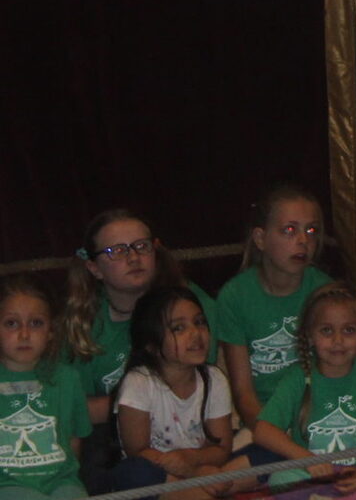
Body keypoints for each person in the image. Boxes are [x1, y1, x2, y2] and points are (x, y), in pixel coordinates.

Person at [61, 209, 216, 490]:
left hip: (188, 424)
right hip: (113, 438)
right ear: (94, 268)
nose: (133, 258)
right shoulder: (82, 323)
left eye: (141, 246)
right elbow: (73, 409)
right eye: (117, 251)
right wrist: (142, 403)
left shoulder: (188, 302)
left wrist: (128, 402)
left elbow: (208, 382)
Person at [245, 281, 356, 499]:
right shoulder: (298, 377)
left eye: (349, 330)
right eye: (326, 330)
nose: (338, 341)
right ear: (310, 335)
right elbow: (263, 431)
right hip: (313, 473)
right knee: (282, 479)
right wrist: (307, 459)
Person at [214, 184, 335, 430]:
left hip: (316, 414)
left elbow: (338, 372)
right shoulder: (234, 296)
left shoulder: (326, 292)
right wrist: (271, 434)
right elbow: (243, 393)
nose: (303, 241)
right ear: (260, 239)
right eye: (289, 230)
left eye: (311, 230)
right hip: (264, 417)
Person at [106, 287, 236, 499]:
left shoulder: (215, 379)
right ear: (150, 344)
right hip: (160, 474)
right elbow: (138, 452)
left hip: (201, 466)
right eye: (179, 328)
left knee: (266, 453)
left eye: (199, 322)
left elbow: (222, 449)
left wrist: (193, 461)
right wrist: (193, 474)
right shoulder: (138, 383)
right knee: (133, 472)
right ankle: (198, 492)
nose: (196, 333)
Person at [0, 277, 88, 500]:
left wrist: (70, 482)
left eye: (36, 323)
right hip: (6, 485)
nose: (24, 334)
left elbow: (73, 439)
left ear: (51, 330)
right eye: (11, 323)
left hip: (61, 482)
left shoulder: (68, 378)